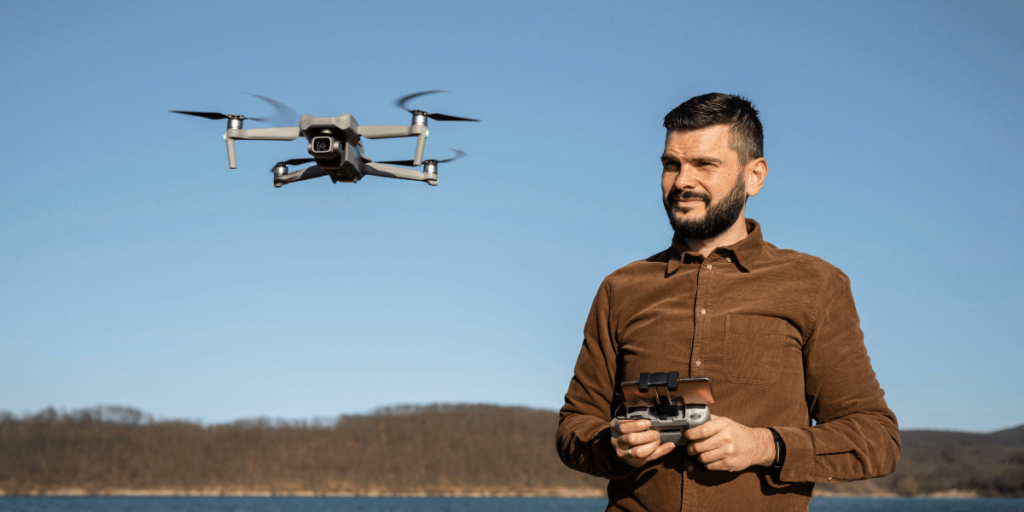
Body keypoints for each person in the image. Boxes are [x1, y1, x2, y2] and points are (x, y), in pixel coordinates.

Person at [556, 93, 900, 511]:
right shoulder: (620, 288)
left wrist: (765, 445)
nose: (682, 181)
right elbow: (574, 426)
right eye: (671, 164)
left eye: (704, 164)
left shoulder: (816, 286)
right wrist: (611, 444)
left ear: (754, 176)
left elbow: (877, 440)